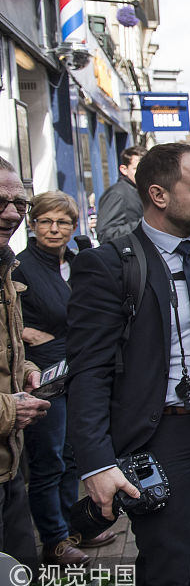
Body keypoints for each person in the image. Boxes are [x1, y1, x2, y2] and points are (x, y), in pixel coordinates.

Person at [66, 143, 190, 586]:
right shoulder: (109, 265)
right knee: (165, 570)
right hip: (159, 438)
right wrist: (96, 464)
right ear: (159, 195)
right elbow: (89, 372)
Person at [14, 192, 116, 566]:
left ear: (75, 226)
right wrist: (26, 332)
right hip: (42, 377)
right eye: (45, 221)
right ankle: (54, 542)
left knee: (74, 456)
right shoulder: (20, 268)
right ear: (33, 224)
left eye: (63, 222)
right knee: (48, 461)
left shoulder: (77, 262)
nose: (54, 229)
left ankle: (73, 529)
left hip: (79, 371)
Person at [0, 158, 48, 571]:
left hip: (10, 463)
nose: (12, 213)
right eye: (0, 202)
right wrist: (9, 410)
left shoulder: (4, 266)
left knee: (18, 572)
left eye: (20, 204)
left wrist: (26, 368)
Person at [95, 146, 147, 243]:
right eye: (137, 168)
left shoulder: (141, 191)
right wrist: (146, 225)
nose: (143, 173)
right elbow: (105, 234)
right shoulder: (117, 193)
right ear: (124, 169)